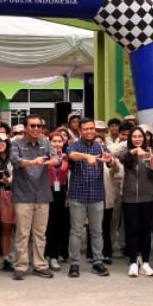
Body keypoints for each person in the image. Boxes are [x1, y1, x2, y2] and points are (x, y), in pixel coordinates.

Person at [9, 114, 61, 280]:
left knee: (40, 233)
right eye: (32, 125)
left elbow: (57, 158)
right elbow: (15, 161)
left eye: (39, 126)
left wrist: (52, 161)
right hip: (23, 195)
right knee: (22, 233)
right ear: (26, 128)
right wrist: (33, 162)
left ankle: (40, 265)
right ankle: (20, 266)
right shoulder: (16, 143)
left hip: (42, 194)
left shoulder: (46, 143)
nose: (36, 129)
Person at [64, 118, 113, 277]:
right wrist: (87, 156)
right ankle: (74, 264)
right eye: (86, 129)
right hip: (77, 195)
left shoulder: (100, 145)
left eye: (92, 128)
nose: (89, 131)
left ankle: (98, 262)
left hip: (97, 194)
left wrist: (109, 159)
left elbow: (110, 161)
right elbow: (72, 155)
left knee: (97, 231)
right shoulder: (74, 144)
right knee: (76, 231)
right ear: (80, 131)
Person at [119, 126, 153, 277]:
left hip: (148, 197)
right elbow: (122, 158)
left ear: (145, 138)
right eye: (134, 137)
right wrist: (134, 151)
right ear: (130, 139)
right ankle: (133, 262)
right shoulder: (127, 153)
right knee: (132, 230)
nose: (137, 139)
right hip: (130, 198)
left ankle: (146, 263)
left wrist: (152, 163)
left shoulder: (150, 152)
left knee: (146, 231)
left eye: (140, 136)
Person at [44, 130, 70, 271]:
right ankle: (46, 254)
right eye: (54, 141)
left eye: (59, 141)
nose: (57, 144)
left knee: (58, 225)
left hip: (61, 193)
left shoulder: (67, 157)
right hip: (46, 192)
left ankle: (54, 255)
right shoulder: (45, 156)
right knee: (47, 226)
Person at [0, 134, 15, 271]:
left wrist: (6, 179)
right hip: (2, 195)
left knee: (19, 228)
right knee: (6, 227)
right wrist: (1, 177)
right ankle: (6, 259)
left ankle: (19, 257)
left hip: (18, 194)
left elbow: (15, 176)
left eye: (2, 142)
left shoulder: (14, 156)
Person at [96, 134, 122, 264]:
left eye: (101, 142)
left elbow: (116, 168)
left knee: (106, 225)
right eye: (96, 142)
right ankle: (93, 253)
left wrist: (111, 161)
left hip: (107, 197)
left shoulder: (110, 158)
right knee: (94, 227)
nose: (98, 144)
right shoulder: (87, 158)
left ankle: (107, 252)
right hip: (92, 197)